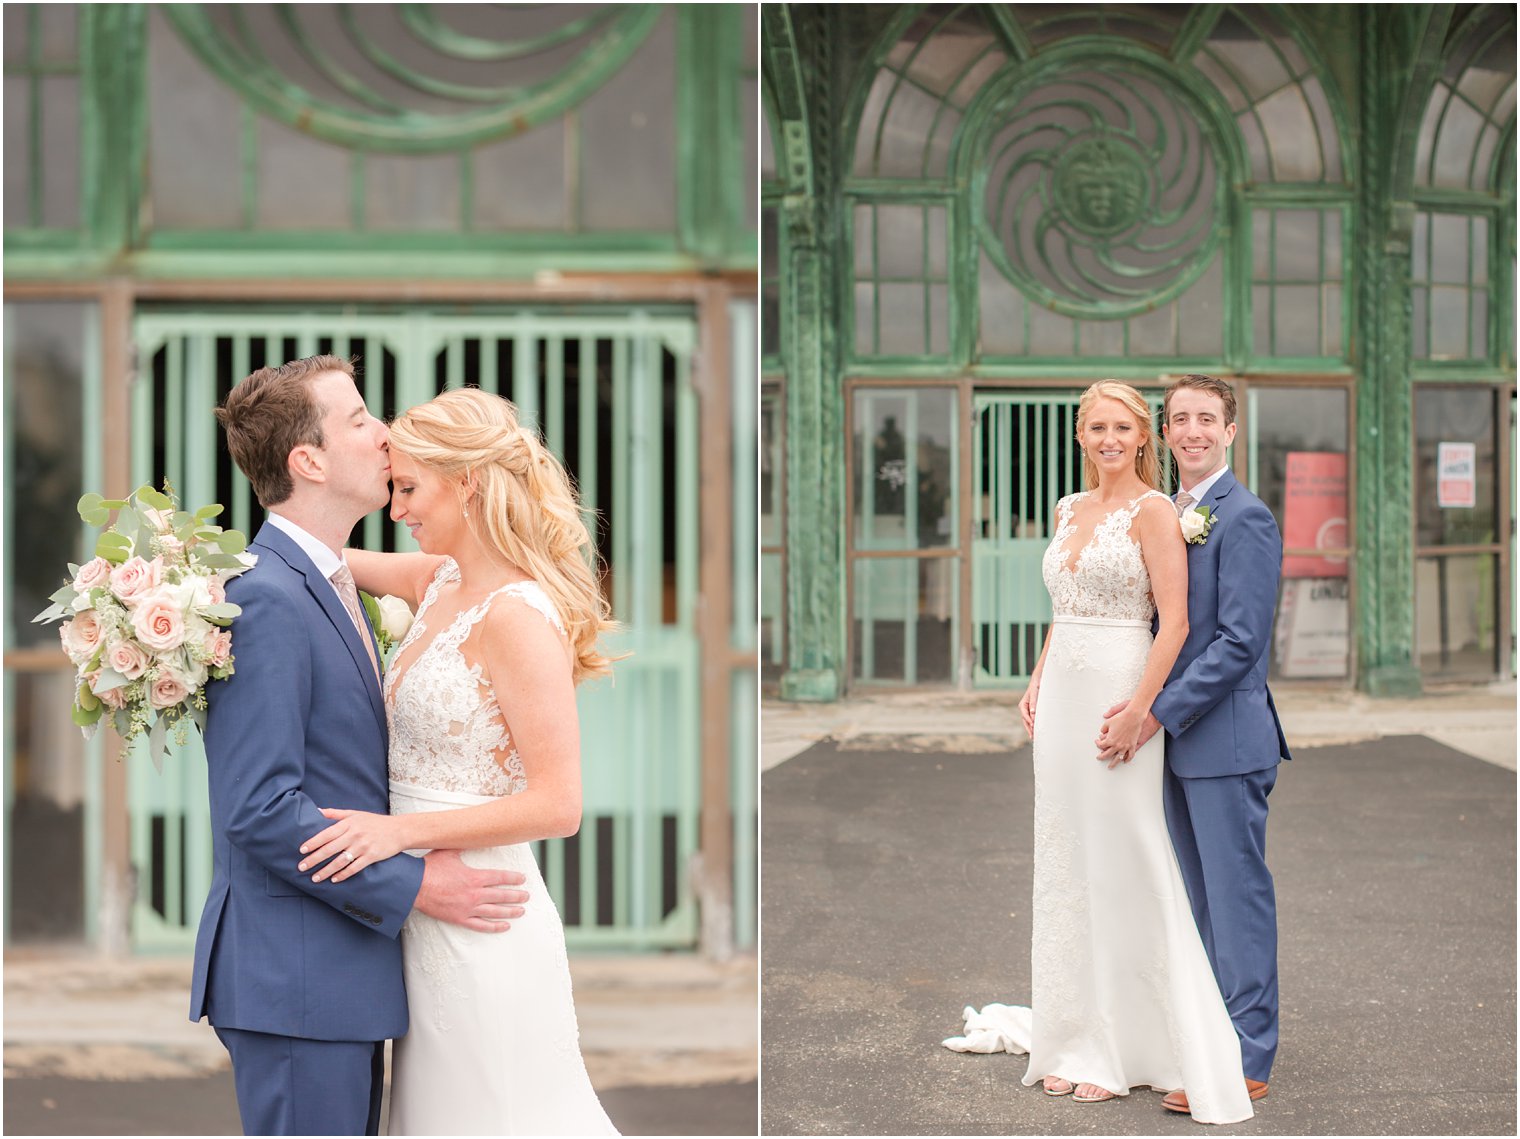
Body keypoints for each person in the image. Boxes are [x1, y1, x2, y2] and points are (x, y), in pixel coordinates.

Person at [194, 356, 530, 1136]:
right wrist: (412, 886)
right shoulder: (268, 598)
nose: (383, 432)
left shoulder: (326, 579)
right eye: (358, 419)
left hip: (333, 974)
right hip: (297, 977)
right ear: (307, 460)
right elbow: (260, 810)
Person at [293, 386, 620, 1135]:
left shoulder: (517, 615)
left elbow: (558, 804)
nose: (396, 506)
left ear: (466, 481)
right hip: (420, 918)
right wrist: (179, 579)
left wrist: (394, 835)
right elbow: (315, 558)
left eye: (408, 487)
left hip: (484, 919)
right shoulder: (438, 580)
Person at [944, 380, 1252, 1125]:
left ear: (1142, 437)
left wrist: (1141, 711)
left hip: (1120, 696)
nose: (1109, 438)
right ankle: (1074, 1033)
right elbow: (1063, 609)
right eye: (1097, 428)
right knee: (1067, 863)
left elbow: (1173, 625)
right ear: (1080, 436)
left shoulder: (1155, 513)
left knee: (1125, 858)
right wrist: (1037, 677)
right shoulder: (1068, 510)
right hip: (1061, 701)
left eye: (1122, 427)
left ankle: (1123, 1045)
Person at [1096, 373, 1291, 1113]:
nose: (1193, 431)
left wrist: (1153, 710)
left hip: (1226, 739)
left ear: (1231, 430)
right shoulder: (1167, 511)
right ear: (1166, 433)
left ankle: (1248, 1054)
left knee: (1236, 900)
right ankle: (1207, 1039)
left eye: (1206, 418)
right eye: (1180, 419)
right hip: (1175, 743)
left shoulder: (1245, 517)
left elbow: (1240, 643)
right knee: (1195, 902)